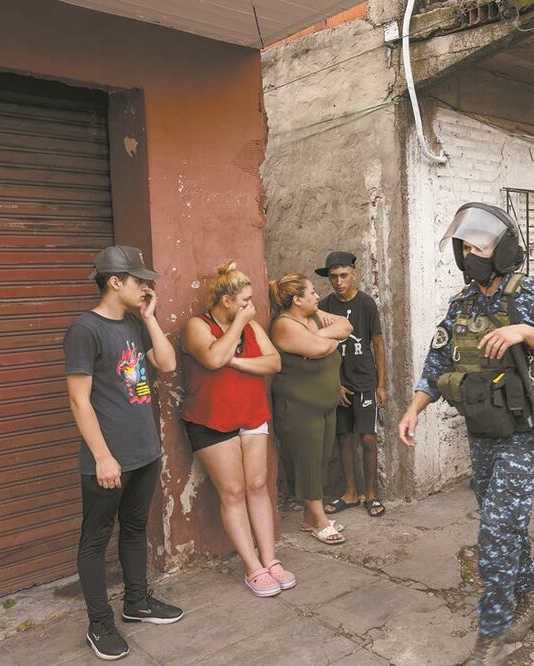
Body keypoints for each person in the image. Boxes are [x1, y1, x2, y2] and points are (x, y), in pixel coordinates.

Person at [397, 203, 534, 665]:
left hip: (526, 430)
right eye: (464, 247)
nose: (469, 254)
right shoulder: (461, 304)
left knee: (497, 528)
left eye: (478, 246)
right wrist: (414, 410)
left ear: (502, 252)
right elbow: (437, 362)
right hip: (483, 430)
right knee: (507, 524)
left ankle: (493, 633)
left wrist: (524, 331)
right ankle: (531, 598)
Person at [63, 246, 183, 661]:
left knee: (134, 528)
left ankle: (138, 602)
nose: (146, 286)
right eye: (139, 280)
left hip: (144, 450)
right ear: (116, 282)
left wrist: (150, 318)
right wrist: (101, 456)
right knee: (95, 538)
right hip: (108, 458)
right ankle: (100, 622)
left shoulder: (134, 323)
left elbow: (165, 364)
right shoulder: (85, 329)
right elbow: (79, 401)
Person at [181, 261, 294, 598]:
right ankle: (252, 567)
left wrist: (235, 360)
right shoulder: (196, 326)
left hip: (252, 415)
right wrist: (237, 328)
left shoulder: (253, 328)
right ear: (226, 301)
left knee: (258, 485)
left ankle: (270, 559)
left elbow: (274, 363)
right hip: (211, 420)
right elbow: (212, 359)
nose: (250, 307)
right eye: (244, 301)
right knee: (232, 492)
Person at [269, 274, 353, 545]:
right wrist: (326, 341)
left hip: (324, 405)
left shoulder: (313, 317)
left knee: (321, 459)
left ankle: (309, 517)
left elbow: (346, 326)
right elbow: (318, 349)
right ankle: (319, 521)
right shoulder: (284, 325)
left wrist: (319, 334)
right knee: (308, 462)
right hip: (299, 408)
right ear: (297, 299)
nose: (317, 296)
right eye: (312, 292)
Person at [315, 252, 388, 519]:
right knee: (343, 438)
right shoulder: (323, 306)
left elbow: (377, 343)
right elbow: (320, 348)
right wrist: (334, 384)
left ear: (353, 274)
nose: (338, 281)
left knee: (368, 437)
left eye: (343, 275)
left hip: (365, 380)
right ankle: (350, 493)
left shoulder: (366, 304)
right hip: (338, 383)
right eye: (333, 276)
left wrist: (381, 385)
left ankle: (372, 494)